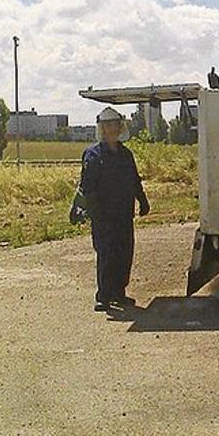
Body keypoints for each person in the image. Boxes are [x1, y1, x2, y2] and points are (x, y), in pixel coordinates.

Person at [80, 107, 150, 311]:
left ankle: (119, 293)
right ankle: (103, 295)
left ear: (120, 128)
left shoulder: (126, 154)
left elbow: (134, 180)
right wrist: (96, 214)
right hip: (103, 215)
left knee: (124, 252)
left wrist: (142, 200)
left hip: (123, 213)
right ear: (102, 129)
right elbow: (88, 188)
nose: (112, 129)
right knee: (106, 253)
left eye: (115, 125)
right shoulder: (92, 155)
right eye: (107, 125)